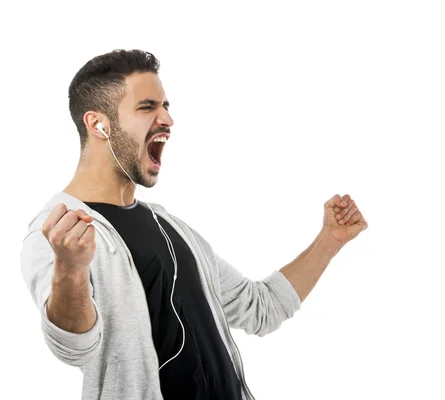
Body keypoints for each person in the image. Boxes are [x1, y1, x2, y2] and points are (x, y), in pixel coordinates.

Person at [20, 49, 368, 400]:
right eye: (147, 107)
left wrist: (330, 240)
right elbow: (73, 347)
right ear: (98, 124)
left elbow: (260, 307)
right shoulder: (56, 231)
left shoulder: (171, 228)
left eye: (166, 106)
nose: (167, 119)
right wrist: (70, 269)